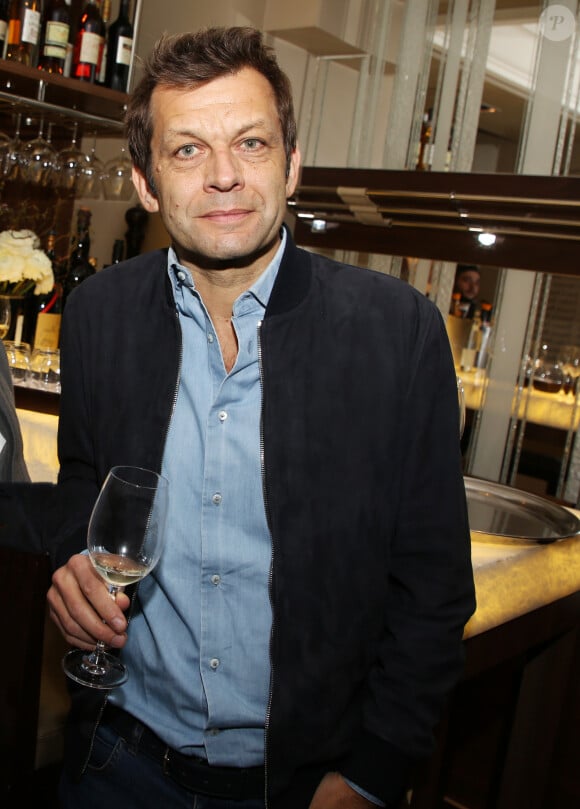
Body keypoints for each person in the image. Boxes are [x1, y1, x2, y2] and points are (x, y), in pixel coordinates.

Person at [47, 27, 475, 809]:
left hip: (305, 786)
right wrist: (74, 567)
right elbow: (85, 475)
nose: (223, 177)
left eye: (250, 142)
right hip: (117, 760)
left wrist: (374, 774)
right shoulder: (98, 314)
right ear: (145, 184)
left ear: (292, 164)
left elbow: (434, 587)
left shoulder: (397, 332)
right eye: (186, 151)